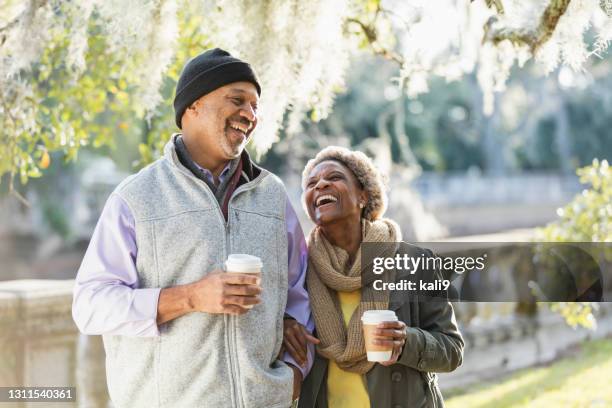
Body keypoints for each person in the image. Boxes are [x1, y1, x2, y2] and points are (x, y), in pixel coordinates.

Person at [72, 48, 315, 408]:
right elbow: (90, 305)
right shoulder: (136, 198)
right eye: (237, 100)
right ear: (193, 106)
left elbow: (299, 294)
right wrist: (190, 297)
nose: (250, 114)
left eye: (255, 106)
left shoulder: (273, 197)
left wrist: (293, 375)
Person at [294, 146, 464, 408]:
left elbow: (452, 351)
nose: (321, 185)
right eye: (311, 183)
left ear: (364, 195)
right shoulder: (298, 268)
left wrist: (406, 341)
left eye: (335, 177)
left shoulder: (416, 262)